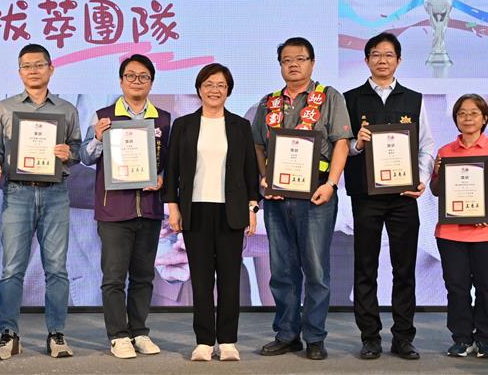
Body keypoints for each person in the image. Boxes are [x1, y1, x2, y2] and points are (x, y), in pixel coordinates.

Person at [252, 37, 352, 360]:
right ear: (280, 65)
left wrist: (332, 184)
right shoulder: (268, 102)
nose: (293, 64)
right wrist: (264, 177)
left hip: (317, 193)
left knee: (316, 270)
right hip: (277, 196)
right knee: (282, 269)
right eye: (286, 60)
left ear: (312, 62)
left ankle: (315, 337)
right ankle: (286, 334)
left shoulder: (329, 97)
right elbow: (258, 145)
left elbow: (341, 143)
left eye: (300, 58)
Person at [0, 43, 81, 360]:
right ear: (19, 71)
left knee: (57, 269)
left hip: (55, 193)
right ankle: (9, 335)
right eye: (26, 66)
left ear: (51, 69)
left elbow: (77, 149)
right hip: (18, 192)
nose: (33, 70)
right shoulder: (3, 108)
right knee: (12, 269)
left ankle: (56, 334)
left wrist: (69, 153)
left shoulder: (67, 109)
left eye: (39, 64)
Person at [342, 32, 433, 360]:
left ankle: (403, 337)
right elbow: (340, 147)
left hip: (403, 196)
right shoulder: (350, 99)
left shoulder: (414, 99)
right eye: (376, 55)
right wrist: (357, 144)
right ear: (367, 60)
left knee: (404, 268)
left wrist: (421, 179)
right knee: (365, 267)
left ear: (399, 60)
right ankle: (369, 337)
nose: (382, 60)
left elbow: (426, 145)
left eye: (389, 55)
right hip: (365, 195)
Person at [163, 63, 261, 362]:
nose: (214, 90)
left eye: (220, 85)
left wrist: (253, 208)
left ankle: (228, 341)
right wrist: (173, 207)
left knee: (230, 279)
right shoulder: (184, 125)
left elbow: (250, 171)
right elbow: (172, 170)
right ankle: (204, 341)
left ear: (228, 90)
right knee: (201, 279)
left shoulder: (239, 126)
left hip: (231, 211)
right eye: (208, 84)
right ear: (199, 89)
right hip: (195, 210)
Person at [78, 54, 171, 359]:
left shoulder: (164, 119)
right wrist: (98, 138)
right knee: (114, 277)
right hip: (114, 211)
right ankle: (118, 335)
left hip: (150, 208)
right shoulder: (104, 116)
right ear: (121, 81)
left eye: (143, 77)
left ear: (151, 82)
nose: (136, 81)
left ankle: (140, 332)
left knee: (143, 276)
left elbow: (170, 163)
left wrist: (162, 178)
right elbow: (85, 157)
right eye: (130, 76)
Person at [430, 94, 488, 359]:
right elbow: (436, 190)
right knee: (456, 288)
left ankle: (486, 339)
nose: (468, 118)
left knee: (487, 287)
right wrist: (438, 172)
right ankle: (461, 338)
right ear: (456, 119)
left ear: (485, 118)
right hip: (451, 233)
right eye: (462, 113)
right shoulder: (445, 152)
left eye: (474, 113)